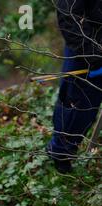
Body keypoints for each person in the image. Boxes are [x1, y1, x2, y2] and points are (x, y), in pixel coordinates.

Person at [46, 0, 102, 173]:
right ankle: (61, 153)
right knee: (77, 104)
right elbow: (69, 17)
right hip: (86, 44)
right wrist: (94, 55)